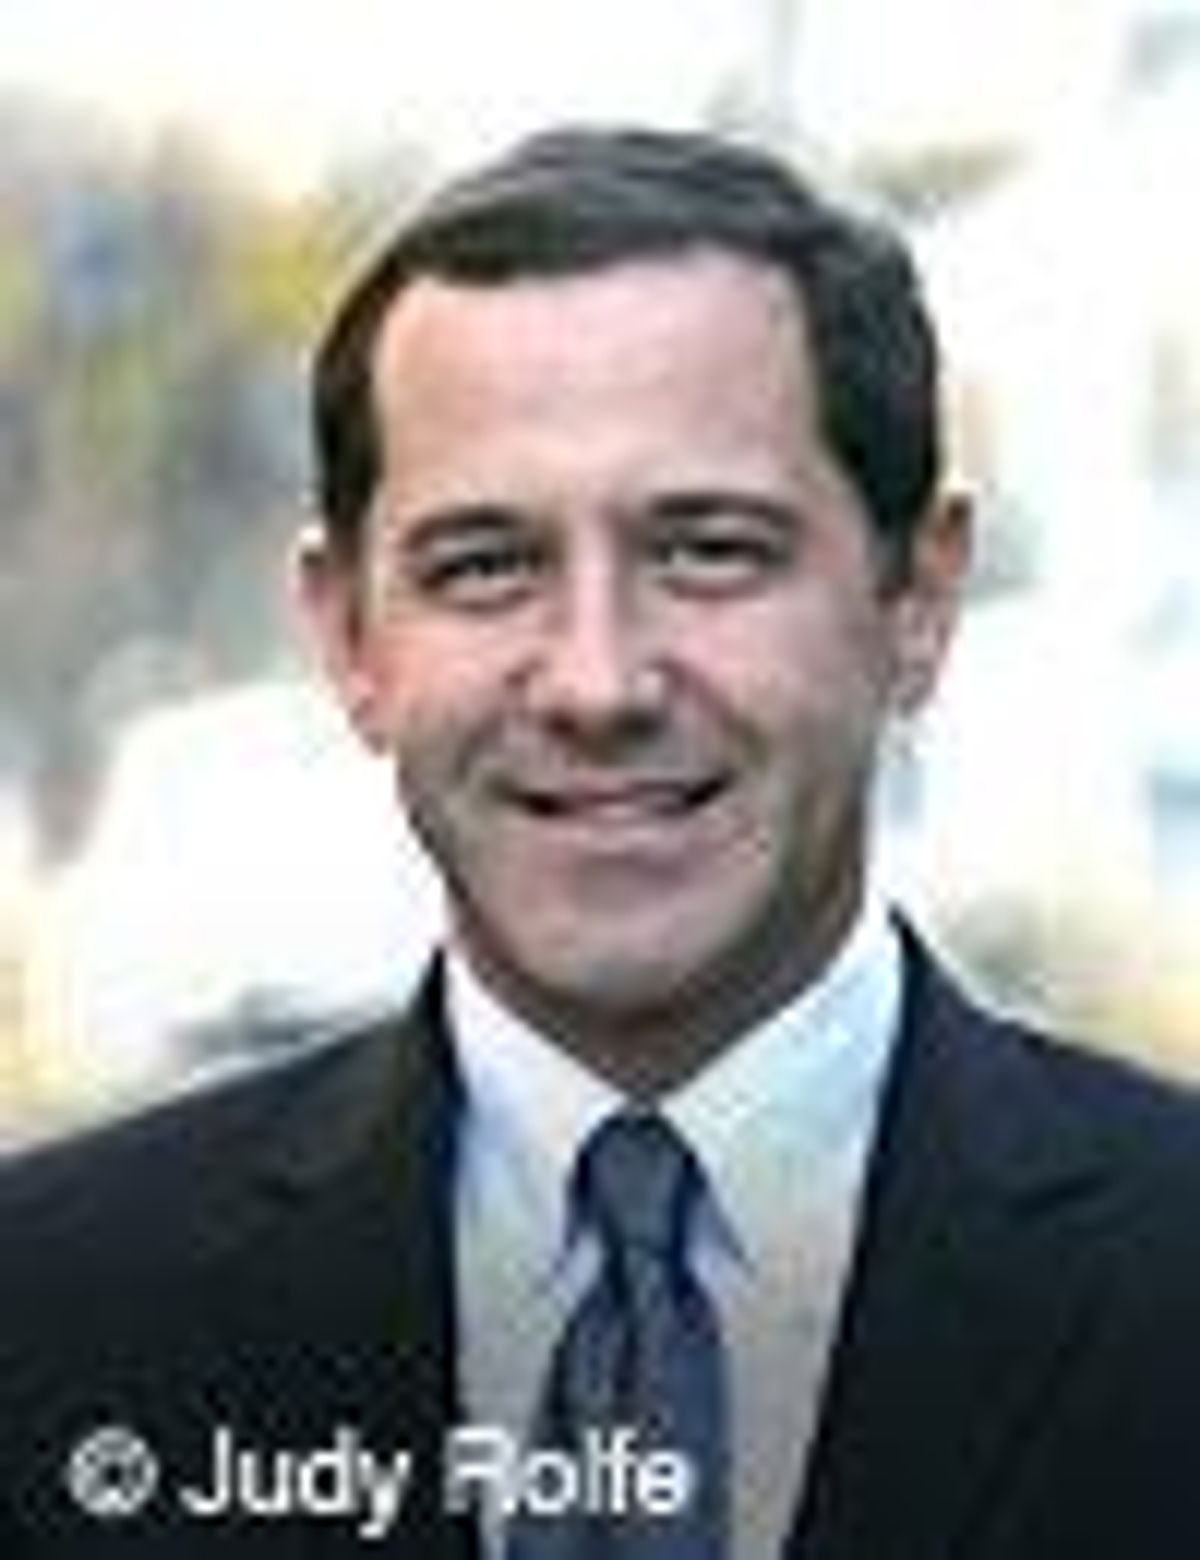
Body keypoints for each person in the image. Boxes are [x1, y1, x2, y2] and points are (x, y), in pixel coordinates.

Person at [0, 125, 1197, 1559]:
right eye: (486, 567)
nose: (596, 683)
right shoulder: (47, 1317)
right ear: (349, 634)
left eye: (709, 550)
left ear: (920, 599)